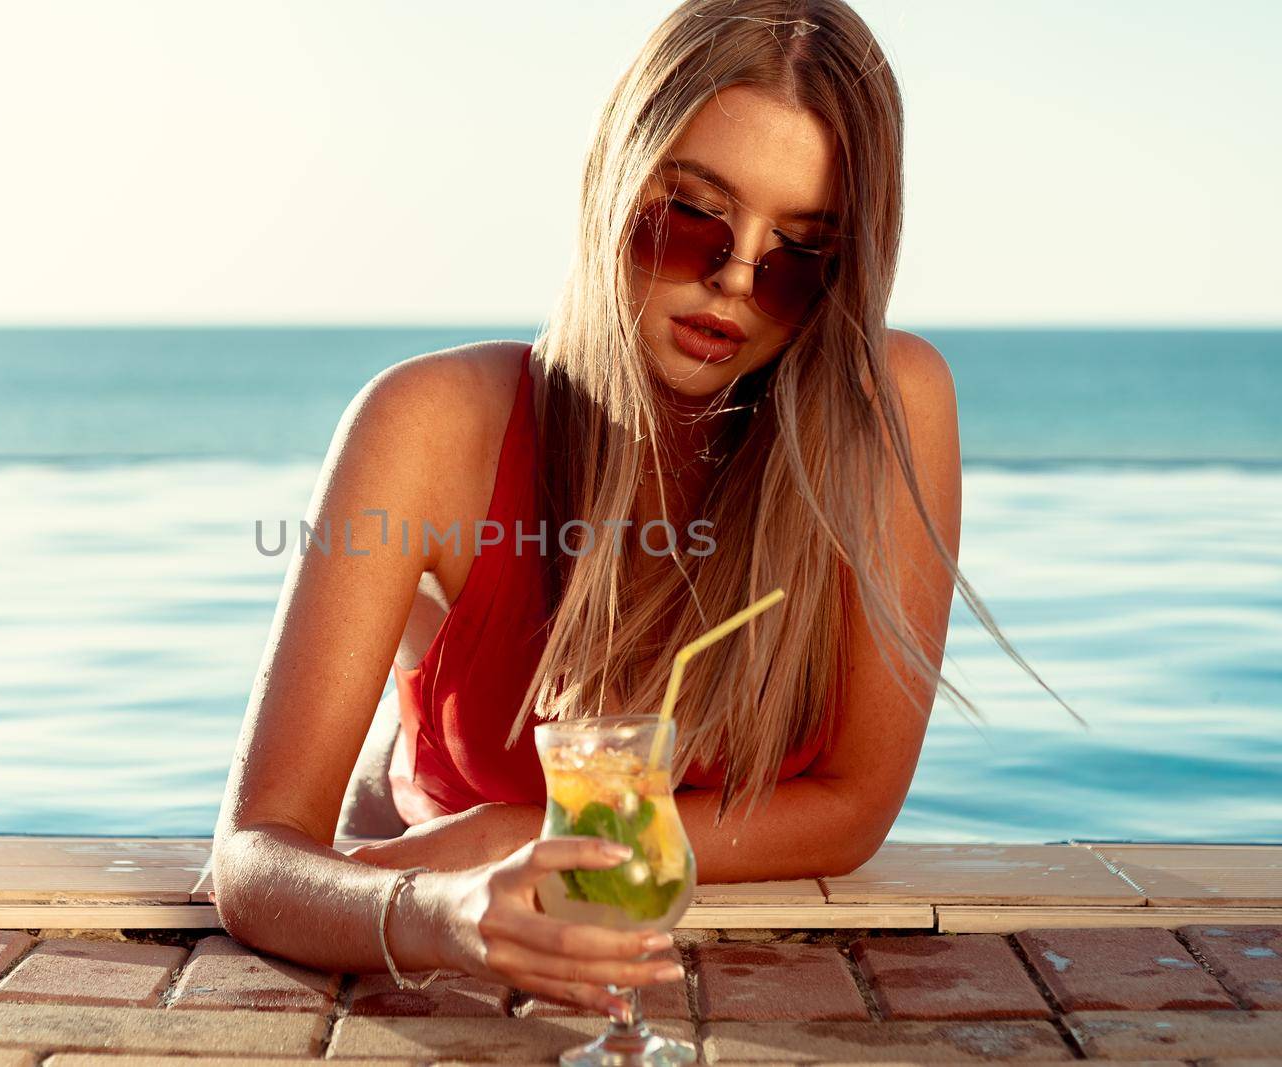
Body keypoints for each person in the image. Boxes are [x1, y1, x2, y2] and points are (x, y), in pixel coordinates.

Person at [212, 0, 1078, 1017]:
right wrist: (441, 905)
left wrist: (534, 831)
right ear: (610, 179)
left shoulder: (882, 409)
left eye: (800, 249)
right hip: (445, 923)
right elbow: (255, 856)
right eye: (692, 213)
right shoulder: (428, 424)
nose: (734, 277)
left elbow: (851, 808)